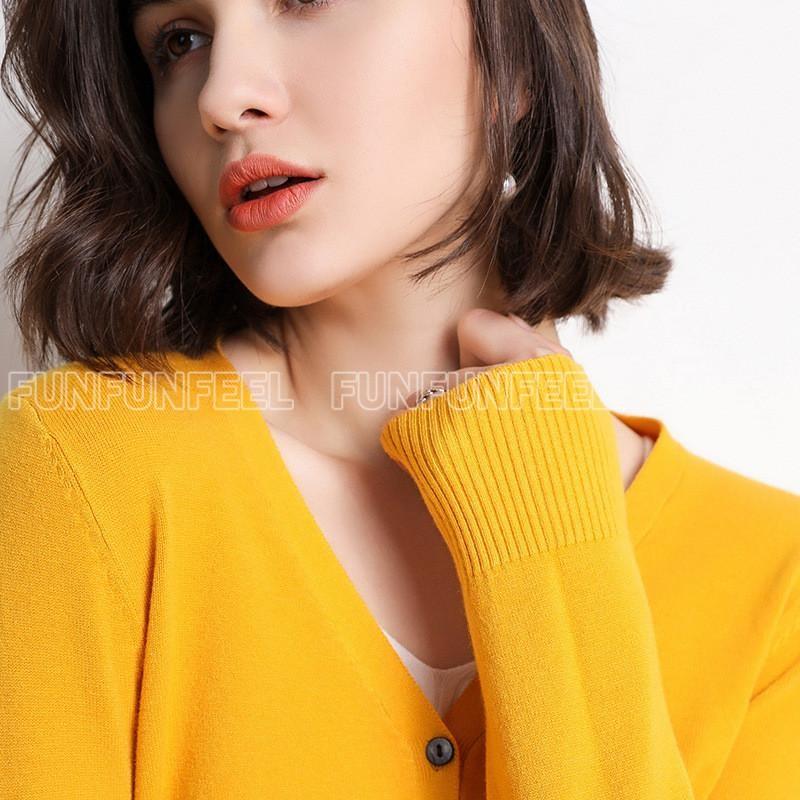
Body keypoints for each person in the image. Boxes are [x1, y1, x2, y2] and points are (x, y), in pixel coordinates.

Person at [0, 1, 797, 798]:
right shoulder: (80, 469)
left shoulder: (774, 583)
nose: (221, 95)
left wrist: (552, 539)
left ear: (514, 58)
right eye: (181, 41)